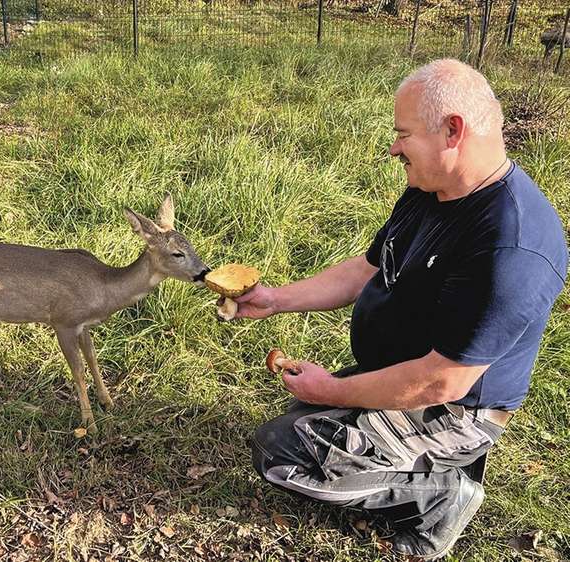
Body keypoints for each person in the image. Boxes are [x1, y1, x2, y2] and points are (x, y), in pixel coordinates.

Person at [237, 59, 567, 560]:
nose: (394, 147)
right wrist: (274, 299)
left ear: (452, 131)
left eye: (403, 134)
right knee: (303, 419)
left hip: (454, 409)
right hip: (402, 369)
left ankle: (443, 494)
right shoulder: (432, 189)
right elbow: (369, 267)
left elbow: (442, 382)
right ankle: (412, 461)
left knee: (283, 450)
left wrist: (332, 388)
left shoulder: (510, 247)